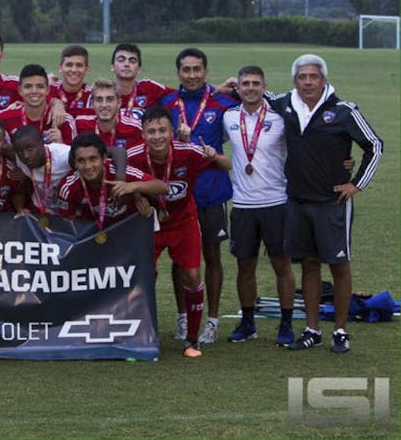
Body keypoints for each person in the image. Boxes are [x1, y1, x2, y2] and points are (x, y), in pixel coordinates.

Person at [271, 54, 383, 353]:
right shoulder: (284, 104)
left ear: (323, 80)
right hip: (297, 201)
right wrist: (227, 86)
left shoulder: (344, 111)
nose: (307, 82)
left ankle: (341, 331)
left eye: (313, 76)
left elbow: (375, 145)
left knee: (339, 265)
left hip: (332, 203)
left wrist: (357, 183)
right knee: (309, 265)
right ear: (295, 81)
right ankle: (313, 330)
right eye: (302, 77)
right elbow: (253, 93)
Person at [126, 106, 231, 357]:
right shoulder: (133, 156)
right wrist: (137, 195)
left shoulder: (188, 152)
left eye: (162, 130)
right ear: (143, 134)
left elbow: (227, 164)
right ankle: (139, 336)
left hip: (184, 221)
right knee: (142, 277)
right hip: (150, 225)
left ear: (172, 131)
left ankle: (192, 340)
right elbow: (120, 179)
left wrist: (214, 156)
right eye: (151, 131)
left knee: (192, 276)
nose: (157, 136)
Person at [160, 48, 237, 344]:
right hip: (177, 195)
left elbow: (257, 106)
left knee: (212, 255)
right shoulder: (167, 102)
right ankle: (183, 317)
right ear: (178, 73)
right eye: (186, 70)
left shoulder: (223, 102)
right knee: (180, 259)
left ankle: (212, 321)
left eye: (197, 69)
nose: (192, 75)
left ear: (206, 71)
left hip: (211, 191)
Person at [222, 66, 297, 346]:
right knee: (245, 265)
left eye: (256, 83)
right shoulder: (229, 116)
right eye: (245, 84)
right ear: (238, 88)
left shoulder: (280, 117)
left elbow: (307, 143)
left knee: (281, 263)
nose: (251, 88)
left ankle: (286, 324)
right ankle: (248, 322)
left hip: (276, 202)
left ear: (265, 87)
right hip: (242, 204)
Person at [57, 133, 167, 226]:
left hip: (128, 230)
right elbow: (68, 225)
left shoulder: (118, 171)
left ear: (104, 158)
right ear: (75, 163)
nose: (88, 166)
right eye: (81, 161)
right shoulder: (68, 187)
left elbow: (163, 187)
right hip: (92, 235)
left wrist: (132, 187)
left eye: (93, 159)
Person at [0, 64, 75, 145]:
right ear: (20, 90)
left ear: (48, 90)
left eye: (40, 86)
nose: (34, 91)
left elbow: (75, 152)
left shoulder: (64, 121)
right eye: (28, 87)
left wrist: (60, 144)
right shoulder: (4, 119)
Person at [12, 125, 73, 218]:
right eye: (20, 151)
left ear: (42, 143)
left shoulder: (64, 155)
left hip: (67, 211)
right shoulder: (19, 159)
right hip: (38, 208)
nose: (25, 155)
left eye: (30, 149)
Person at [73, 78, 144, 150]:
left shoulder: (134, 129)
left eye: (109, 99)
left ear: (119, 103)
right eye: (99, 100)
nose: (104, 105)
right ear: (92, 103)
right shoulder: (79, 125)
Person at [49, 44, 94, 117]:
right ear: (60, 68)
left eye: (79, 65)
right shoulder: (49, 91)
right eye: (69, 65)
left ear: (87, 70)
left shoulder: (93, 95)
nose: (74, 70)